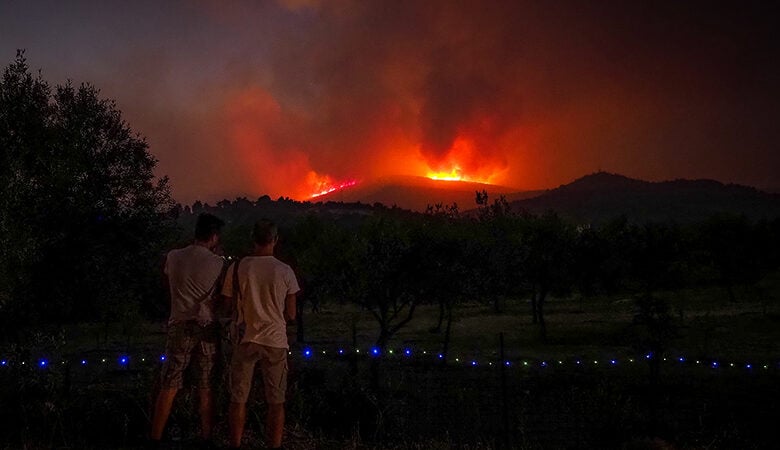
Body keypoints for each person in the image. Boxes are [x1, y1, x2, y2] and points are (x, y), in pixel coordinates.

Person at [150, 213, 226, 448]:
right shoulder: (218, 263)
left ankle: (156, 436)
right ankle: (206, 437)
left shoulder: (173, 257)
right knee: (205, 384)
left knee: (170, 381)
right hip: (206, 329)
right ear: (214, 237)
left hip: (179, 325)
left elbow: (167, 280)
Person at [222, 219, 299, 450]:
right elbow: (292, 314)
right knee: (276, 402)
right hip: (275, 340)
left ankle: (235, 443)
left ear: (253, 239)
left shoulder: (238, 267)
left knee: (238, 399)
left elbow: (227, 304)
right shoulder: (285, 271)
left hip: (245, 339)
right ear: (275, 240)